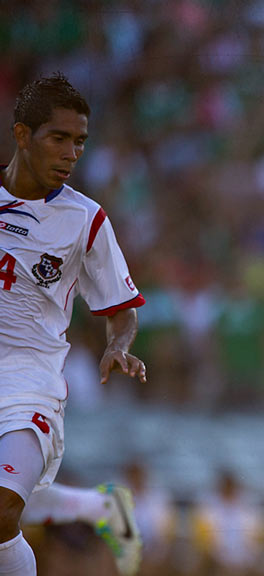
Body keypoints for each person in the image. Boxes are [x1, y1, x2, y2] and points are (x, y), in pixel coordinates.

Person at [0, 73, 146, 575]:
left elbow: (121, 310)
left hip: (29, 378)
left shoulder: (85, 219)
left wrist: (118, 344)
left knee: (2, 511)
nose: (71, 153)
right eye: (58, 138)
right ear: (23, 135)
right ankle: (97, 507)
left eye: (79, 142)